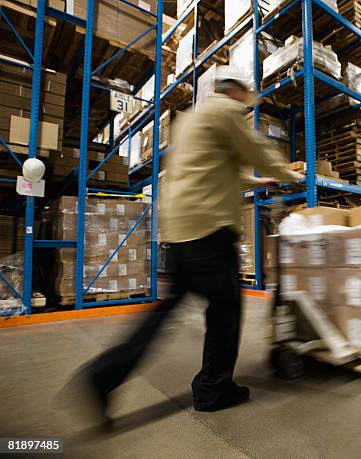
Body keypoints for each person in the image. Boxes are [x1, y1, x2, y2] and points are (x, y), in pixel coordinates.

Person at [61, 66, 302, 424]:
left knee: (163, 314)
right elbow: (259, 149)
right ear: (236, 91)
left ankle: (102, 376)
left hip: (179, 234)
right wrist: (292, 173)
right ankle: (213, 388)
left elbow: (222, 175)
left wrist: (259, 181)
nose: (245, 104)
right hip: (208, 233)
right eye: (245, 98)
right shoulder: (226, 111)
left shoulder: (193, 120)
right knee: (226, 309)